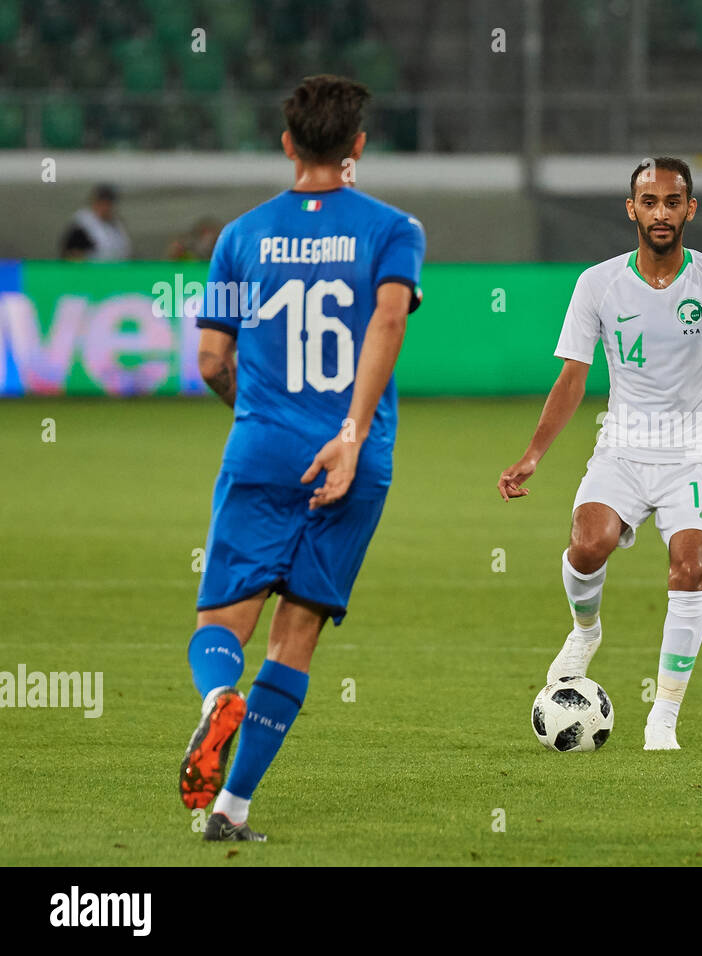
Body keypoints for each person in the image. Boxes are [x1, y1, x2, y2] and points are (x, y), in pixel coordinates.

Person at [498, 157, 702, 751]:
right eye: (650, 202)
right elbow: (572, 377)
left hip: (691, 456)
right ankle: (585, 632)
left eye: (673, 202)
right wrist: (534, 454)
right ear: (632, 209)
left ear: (690, 209)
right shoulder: (598, 283)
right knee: (587, 545)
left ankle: (662, 717)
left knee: (690, 566)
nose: (661, 213)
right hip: (619, 449)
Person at [179, 75, 425, 841]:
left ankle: (219, 694)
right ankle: (234, 808)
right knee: (298, 635)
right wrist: (349, 435)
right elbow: (388, 322)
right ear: (357, 147)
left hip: (261, 445)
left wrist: (258, 421)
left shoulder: (240, 236)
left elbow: (213, 360)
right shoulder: (394, 229)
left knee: (223, 618)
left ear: (288, 144)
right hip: (354, 455)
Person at [59, 183, 131, 261]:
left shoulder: (116, 224)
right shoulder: (82, 225)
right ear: (95, 202)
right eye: (103, 202)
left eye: (109, 202)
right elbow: (71, 254)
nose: (107, 206)